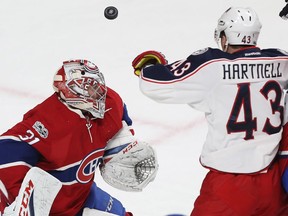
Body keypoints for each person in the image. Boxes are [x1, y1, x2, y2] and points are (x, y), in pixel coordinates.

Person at [132, 7, 288, 216]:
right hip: (274, 185)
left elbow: (153, 84)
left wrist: (150, 66)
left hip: (229, 187)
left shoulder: (212, 64)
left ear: (225, 37)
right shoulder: (280, 60)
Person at [0, 59, 158, 215]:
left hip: (83, 198)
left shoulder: (111, 103)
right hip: (51, 210)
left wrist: (124, 147)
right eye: (87, 87)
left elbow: (119, 126)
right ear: (68, 91)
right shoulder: (48, 122)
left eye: (96, 85)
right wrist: (11, 205)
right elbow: (5, 156)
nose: (97, 93)